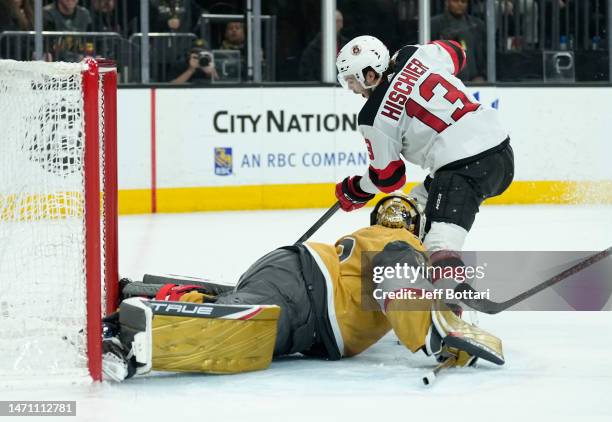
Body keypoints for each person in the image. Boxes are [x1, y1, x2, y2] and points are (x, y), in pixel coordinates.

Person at [100, 194, 504, 381]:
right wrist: (438, 334)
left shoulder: (373, 233)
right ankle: (123, 336)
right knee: (240, 331)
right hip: (307, 292)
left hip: (295, 275)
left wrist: (441, 310)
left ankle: (144, 294)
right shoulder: (406, 246)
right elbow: (394, 279)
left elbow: (397, 297)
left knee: (237, 304)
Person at [334, 35, 514, 276]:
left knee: (439, 244)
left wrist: (355, 189)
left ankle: (447, 303)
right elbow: (457, 52)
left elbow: (388, 178)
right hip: (500, 150)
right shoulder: (414, 53)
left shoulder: (372, 116)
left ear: (369, 75)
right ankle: (407, 279)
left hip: (463, 166)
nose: (352, 89)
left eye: (351, 80)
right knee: (411, 210)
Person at [431, 0, 487, 82]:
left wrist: (483, 75)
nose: (460, 4)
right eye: (456, 1)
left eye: (463, 1)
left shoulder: (477, 25)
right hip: (445, 79)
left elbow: (485, 53)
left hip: (475, 80)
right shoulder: (434, 24)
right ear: (447, 2)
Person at [298, 9, 349, 81]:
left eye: (341, 22)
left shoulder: (346, 46)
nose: (341, 26)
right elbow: (305, 74)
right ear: (328, 23)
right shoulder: (313, 48)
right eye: (337, 21)